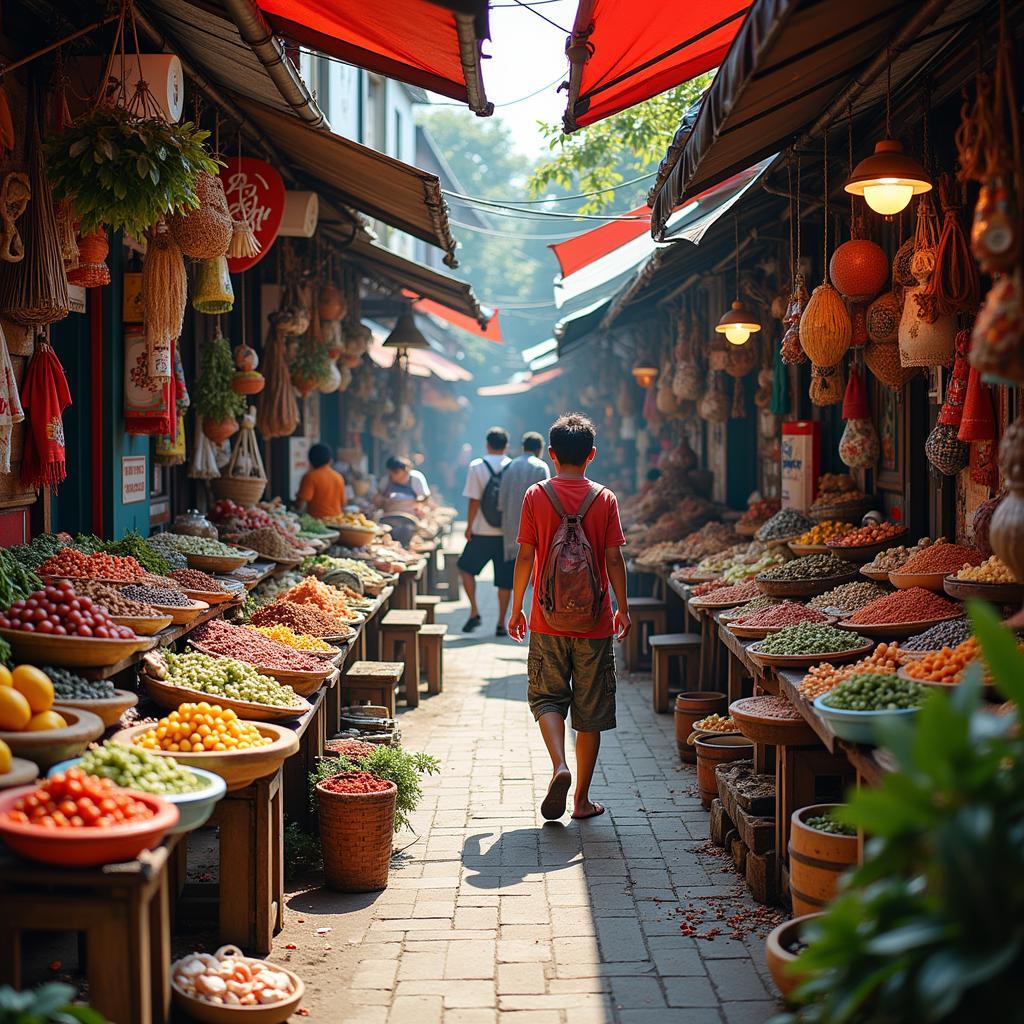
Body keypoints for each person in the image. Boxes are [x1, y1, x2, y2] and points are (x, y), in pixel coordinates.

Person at [508, 413, 631, 821]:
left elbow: (526, 555)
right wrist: (622, 610)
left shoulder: (535, 495)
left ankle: (559, 763)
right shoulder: (605, 498)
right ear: (592, 455)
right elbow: (614, 557)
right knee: (591, 710)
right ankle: (581, 800)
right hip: (594, 622)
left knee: (546, 697)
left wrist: (516, 609)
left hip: (547, 619)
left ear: (552, 454)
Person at [458, 426, 512, 635]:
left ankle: (474, 611)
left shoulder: (477, 466)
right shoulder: (513, 466)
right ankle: (501, 623)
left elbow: (474, 499)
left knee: (465, 568)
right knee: (505, 581)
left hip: (481, 531)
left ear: (487, 445)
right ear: (506, 446)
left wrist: (469, 526)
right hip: (506, 534)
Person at [498, 432, 550, 562]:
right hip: (534, 530)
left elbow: (501, 500)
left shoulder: (510, 466)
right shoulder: (541, 467)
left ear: (523, 447)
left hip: (511, 528)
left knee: (512, 573)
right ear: (540, 449)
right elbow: (547, 500)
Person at [295, 442, 347, 519]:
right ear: (330, 460)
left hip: (318, 522)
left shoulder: (310, 477)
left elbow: (300, 504)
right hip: (337, 521)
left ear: (310, 460)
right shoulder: (339, 477)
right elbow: (343, 503)